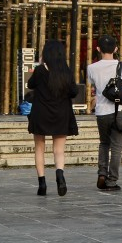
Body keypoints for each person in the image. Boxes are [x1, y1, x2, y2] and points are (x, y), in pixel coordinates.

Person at [86, 34, 122, 192]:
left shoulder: (91, 68)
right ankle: (111, 181)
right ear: (116, 49)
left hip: (102, 112)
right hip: (120, 111)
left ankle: (102, 172)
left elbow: (95, 90)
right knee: (116, 147)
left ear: (97, 49)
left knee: (104, 143)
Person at [28, 38, 79, 196]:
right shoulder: (66, 71)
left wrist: (40, 64)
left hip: (41, 113)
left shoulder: (40, 71)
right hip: (61, 113)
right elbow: (74, 92)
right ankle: (59, 174)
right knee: (59, 150)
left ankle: (42, 184)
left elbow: (30, 85)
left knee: (39, 148)